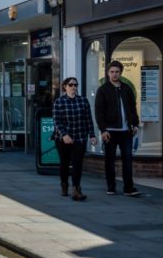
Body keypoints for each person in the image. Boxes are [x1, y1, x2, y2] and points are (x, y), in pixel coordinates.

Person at [94, 60, 141, 196]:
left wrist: (135, 124)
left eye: (117, 72)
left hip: (126, 131)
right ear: (108, 73)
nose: (114, 74)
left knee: (128, 159)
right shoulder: (103, 90)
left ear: (121, 73)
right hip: (110, 131)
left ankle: (128, 187)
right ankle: (111, 186)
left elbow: (132, 108)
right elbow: (99, 111)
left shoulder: (126, 88)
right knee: (110, 160)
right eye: (112, 72)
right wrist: (103, 130)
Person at [52, 77, 97, 201]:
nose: (73, 87)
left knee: (77, 163)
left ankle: (76, 189)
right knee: (64, 163)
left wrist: (92, 135)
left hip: (79, 137)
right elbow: (57, 121)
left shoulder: (83, 101)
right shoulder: (59, 102)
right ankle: (64, 184)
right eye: (71, 85)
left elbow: (88, 120)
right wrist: (64, 134)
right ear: (65, 87)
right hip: (62, 139)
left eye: (75, 85)